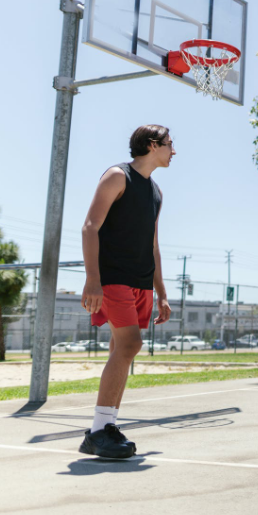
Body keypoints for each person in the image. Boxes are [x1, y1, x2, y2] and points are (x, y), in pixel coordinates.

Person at [78, 125, 175, 458]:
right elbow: (90, 226)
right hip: (113, 277)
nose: (173, 151)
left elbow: (153, 244)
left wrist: (161, 292)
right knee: (132, 344)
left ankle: (105, 426)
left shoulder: (157, 192)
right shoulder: (117, 176)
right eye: (169, 145)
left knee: (120, 348)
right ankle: (98, 429)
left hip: (141, 282)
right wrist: (93, 279)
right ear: (152, 145)